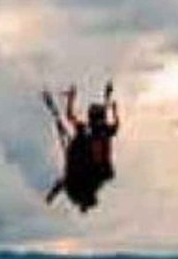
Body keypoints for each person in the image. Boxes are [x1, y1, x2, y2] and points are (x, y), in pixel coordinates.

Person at [42, 81, 120, 213]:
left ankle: (54, 197)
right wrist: (112, 107)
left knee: (69, 180)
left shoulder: (90, 129)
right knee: (70, 180)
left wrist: (71, 99)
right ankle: (55, 197)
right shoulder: (101, 130)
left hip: (86, 169)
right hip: (88, 169)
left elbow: (70, 116)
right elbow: (115, 124)